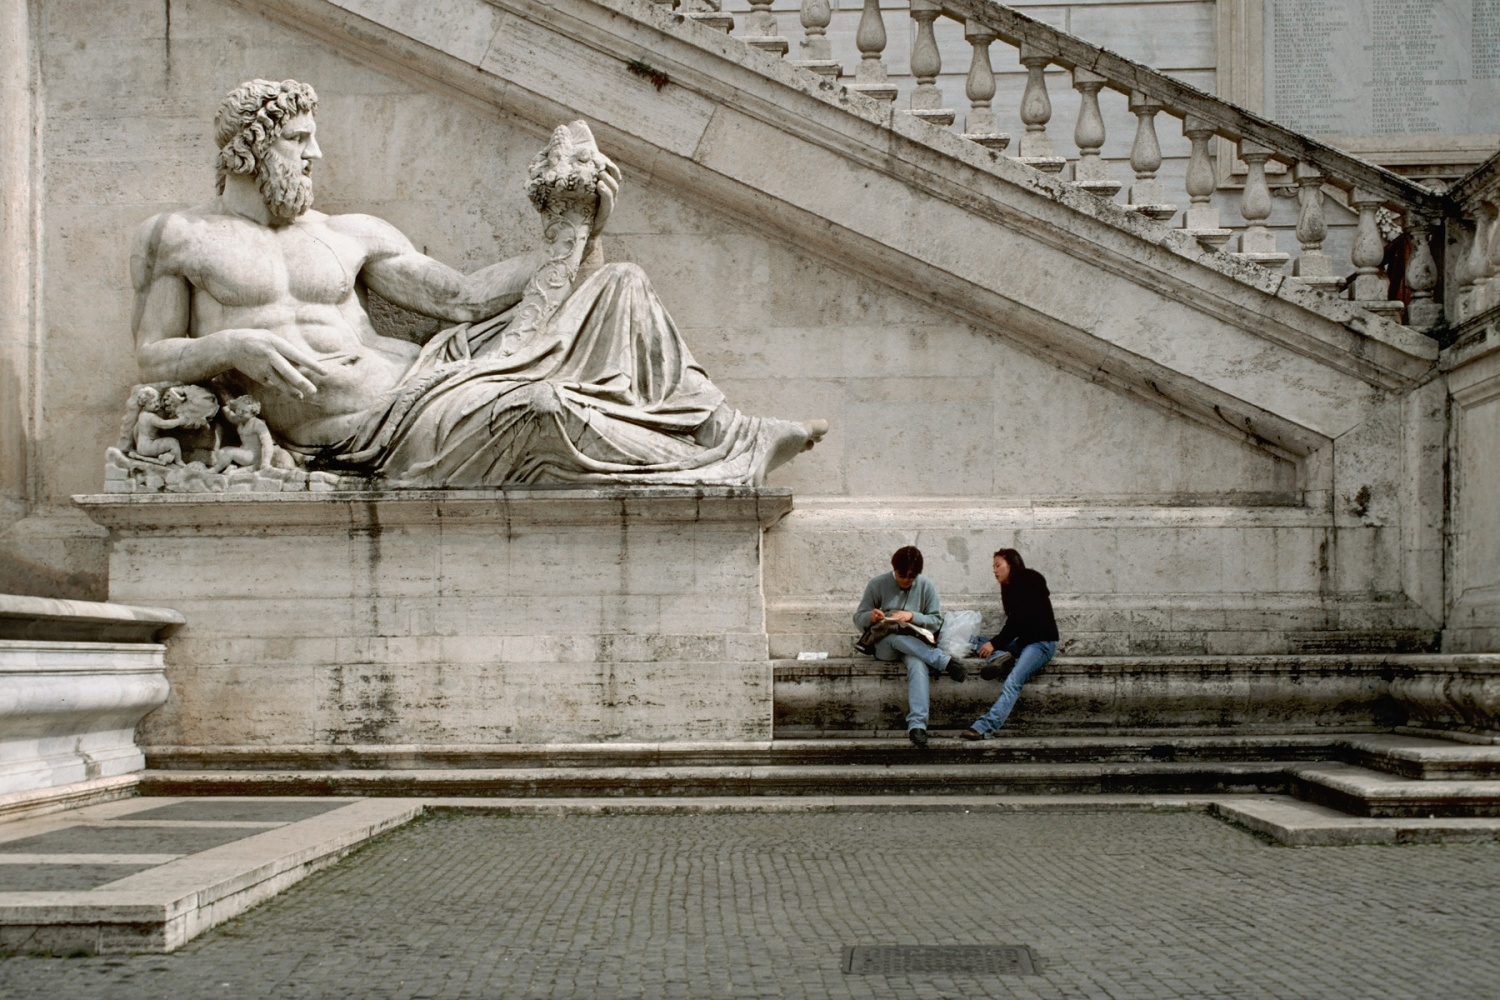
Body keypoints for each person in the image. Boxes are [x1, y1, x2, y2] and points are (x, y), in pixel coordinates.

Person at [129, 79, 824, 487]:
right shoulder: (181, 237)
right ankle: (714, 461)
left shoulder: (349, 232)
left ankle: (727, 432)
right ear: (249, 147)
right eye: (298, 139)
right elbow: (152, 354)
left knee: (620, 283)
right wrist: (234, 347)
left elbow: (463, 298)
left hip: (428, 378)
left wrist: (580, 232)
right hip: (368, 431)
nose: (316, 153)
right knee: (543, 408)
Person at [853, 546, 965, 748]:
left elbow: (936, 621)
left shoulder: (926, 586)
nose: (906, 580)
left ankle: (917, 726)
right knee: (895, 637)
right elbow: (858, 618)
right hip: (885, 645)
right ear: (894, 569)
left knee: (918, 666)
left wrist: (912, 616)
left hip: (915, 645)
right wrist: (871, 617)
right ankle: (943, 661)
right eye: (901, 575)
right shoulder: (877, 584)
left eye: (911, 577)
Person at [961, 548, 1059, 740]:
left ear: (1011, 564)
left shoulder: (1029, 579)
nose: (994, 570)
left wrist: (995, 643)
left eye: (998, 565)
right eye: (993, 566)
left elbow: (1018, 621)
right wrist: (994, 645)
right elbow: (1014, 622)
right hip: (1023, 643)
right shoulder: (1010, 587)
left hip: (1041, 644)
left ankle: (984, 727)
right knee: (976, 640)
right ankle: (1001, 658)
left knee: (1013, 681)